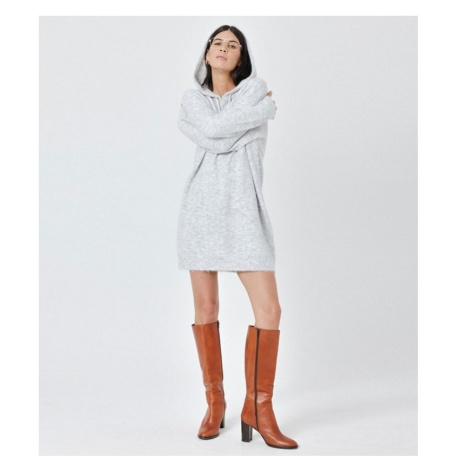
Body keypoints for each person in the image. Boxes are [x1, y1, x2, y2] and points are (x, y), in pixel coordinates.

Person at [177, 25, 298, 450]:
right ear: (207, 53)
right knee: (206, 307)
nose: (224, 49)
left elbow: (214, 133)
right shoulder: (196, 99)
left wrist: (221, 126)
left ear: (241, 57)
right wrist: (260, 114)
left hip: (245, 210)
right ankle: (215, 402)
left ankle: (258, 408)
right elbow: (214, 133)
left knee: (270, 309)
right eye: (218, 43)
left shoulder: (254, 90)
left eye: (233, 45)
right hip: (201, 211)